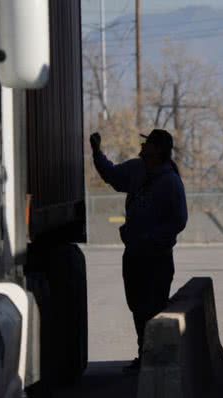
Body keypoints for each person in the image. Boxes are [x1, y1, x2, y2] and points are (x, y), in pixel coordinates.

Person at [90, 129, 188, 372]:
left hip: (157, 257)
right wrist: (97, 153)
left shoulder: (170, 181)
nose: (142, 147)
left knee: (154, 307)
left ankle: (157, 358)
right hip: (134, 255)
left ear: (158, 150)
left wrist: (151, 239)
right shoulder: (136, 169)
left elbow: (179, 220)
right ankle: (145, 355)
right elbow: (112, 175)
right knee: (137, 306)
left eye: (148, 144)